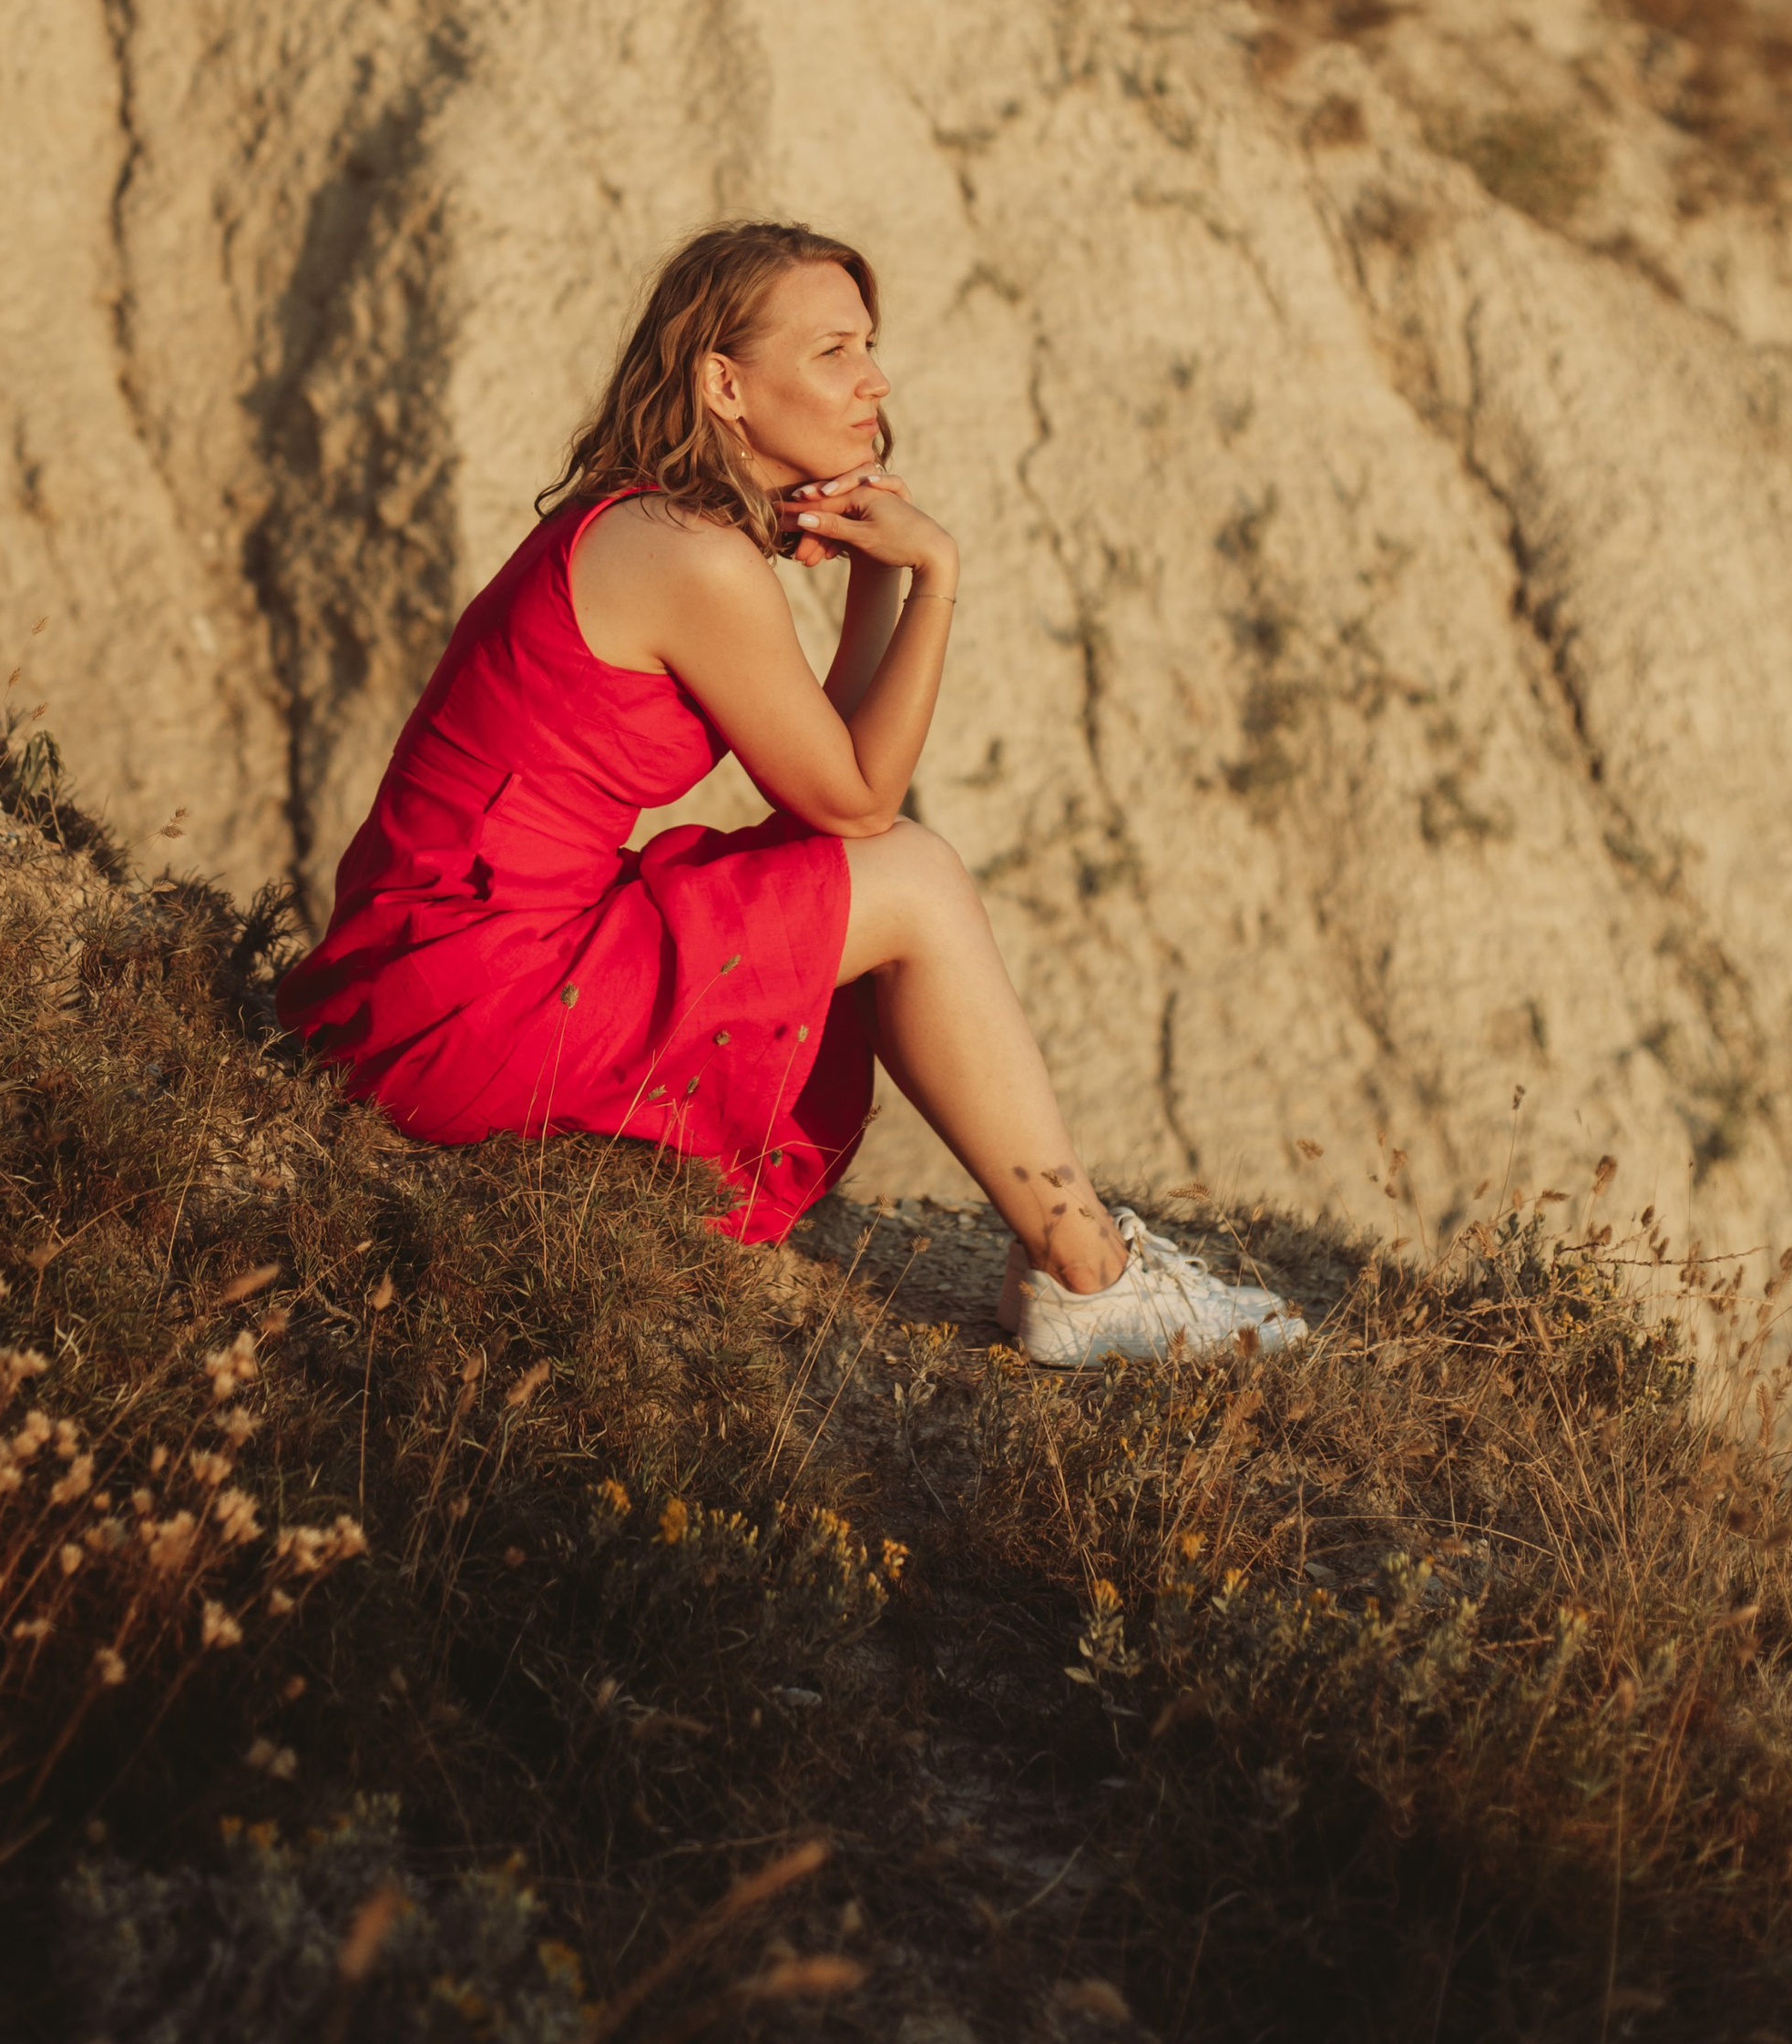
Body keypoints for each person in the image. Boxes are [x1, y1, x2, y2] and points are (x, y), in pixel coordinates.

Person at [277, 222, 1304, 1363]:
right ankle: (1089, 1277)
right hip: (472, 993)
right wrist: (935, 575)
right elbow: (859, 806)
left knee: (880, 868)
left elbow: (828, 789)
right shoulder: (686, 555)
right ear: (723, 383)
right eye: (832, 351)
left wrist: (873, 583)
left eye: (868, 345)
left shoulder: (655, 525)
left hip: (450, 963)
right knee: (912, 874)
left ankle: (1072, 1260)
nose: (874, 380)